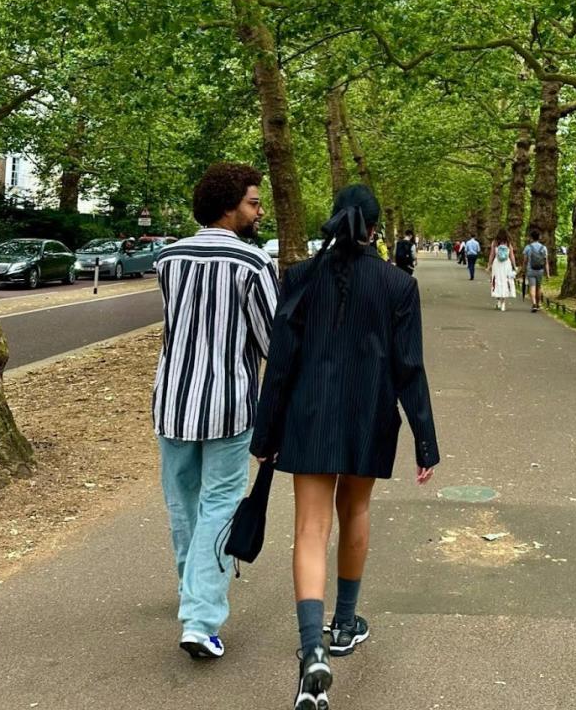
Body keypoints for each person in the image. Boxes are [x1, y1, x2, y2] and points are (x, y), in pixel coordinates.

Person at [251, 184, 439, 710]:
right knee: (355, 511)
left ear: (333, 221)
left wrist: (266, 434)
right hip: (369, 416)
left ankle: (313, 650)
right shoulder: (397, 284)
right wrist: (425, 440)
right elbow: (409, 368)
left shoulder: (300, 278)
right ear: (376, 229)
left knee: (311, 530)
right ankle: (345, 624)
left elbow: (280, 364)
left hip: (308, 419)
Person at [151, 162, 279, 660]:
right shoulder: (252, 265)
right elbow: (271, 340)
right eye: (253, 201)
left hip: (173, 400)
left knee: (183, 504)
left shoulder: (168, 258)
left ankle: (193, 594)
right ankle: (201, 617)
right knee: (219, 505)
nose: (259, 210)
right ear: (229, 206)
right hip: (228, 403)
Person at [488, 232, 517, 311]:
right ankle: (503, 303)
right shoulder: (508, 244)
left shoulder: (495, 243)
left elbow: (492, 254)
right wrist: (514, 266)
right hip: (506, 264)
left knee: (497, 282)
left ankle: (498, 301)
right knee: (505, 282)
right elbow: (512, 256)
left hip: (497, 264)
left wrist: (489, 265)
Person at [523, 230, 549, 312]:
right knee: (539, 287)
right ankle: (539, 303)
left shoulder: (528, 247)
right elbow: (546, 262)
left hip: (530, 269)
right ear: (539, 237)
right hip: (540, 270)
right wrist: (548, 274)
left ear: (531, 238)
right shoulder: (543, 248)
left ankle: (534, 303)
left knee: (532, 287)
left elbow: (525, 260)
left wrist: (523, 269)